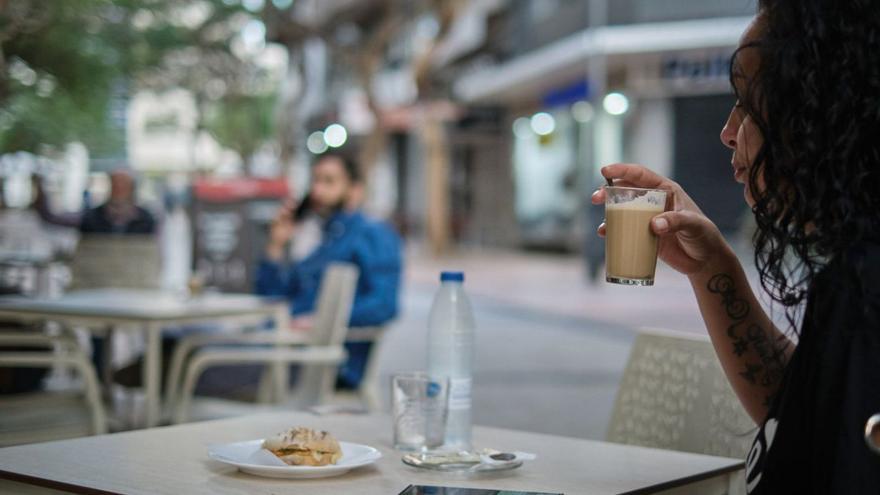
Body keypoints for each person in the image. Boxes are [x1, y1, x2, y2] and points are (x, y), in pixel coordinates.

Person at [591, 3, 880, 493]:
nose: (727, 133)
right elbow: (802, 410)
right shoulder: (855, 272)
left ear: (818, 114)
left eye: (748, 104)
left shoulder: (867, 287)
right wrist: (712, 268)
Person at [256, 152, 402, 389]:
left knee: (192, 359)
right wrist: (276, 246)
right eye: (315, 181)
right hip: (282, 349)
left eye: (329, 181)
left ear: (355, 190)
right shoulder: (321, 239)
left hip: (320, 363)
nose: (317, 192)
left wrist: (319, 320)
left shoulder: (372, 233)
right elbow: (272, 298)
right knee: (185, 342)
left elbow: (385, 303)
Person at [80, 169, 155, 235]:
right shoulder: (91, 217)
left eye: (124, 185)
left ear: (132, 188)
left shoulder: (146, 219)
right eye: (115, 184)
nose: (119, 188)